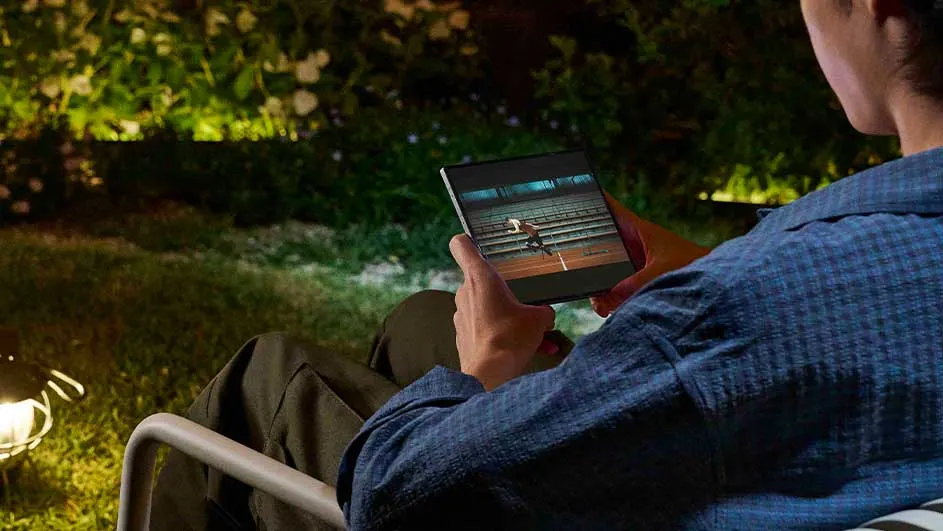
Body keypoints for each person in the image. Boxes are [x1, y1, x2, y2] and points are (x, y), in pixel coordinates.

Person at [151, 0, 943, 529]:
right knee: (424, 323)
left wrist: (491, 365)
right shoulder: (857, 259)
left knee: (271, 376)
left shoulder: (738, 308)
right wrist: (703, 269)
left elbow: (401, 495)